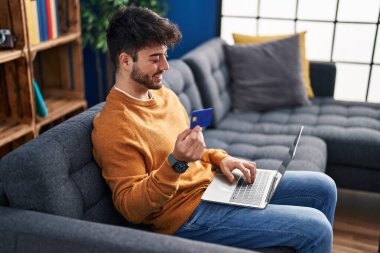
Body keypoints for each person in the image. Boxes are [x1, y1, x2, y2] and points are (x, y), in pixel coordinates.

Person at [91, 6, 337, 253]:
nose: (165, 66)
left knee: (323, 187)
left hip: (213, 186)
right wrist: (176, 162)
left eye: (165, 55)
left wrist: (221, 159)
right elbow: (131, 208)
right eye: (155, 58)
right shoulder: (113, 126)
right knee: (316, 229)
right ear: (125, 60)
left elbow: (194, 155)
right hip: (186, 216)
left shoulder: (164, 95)